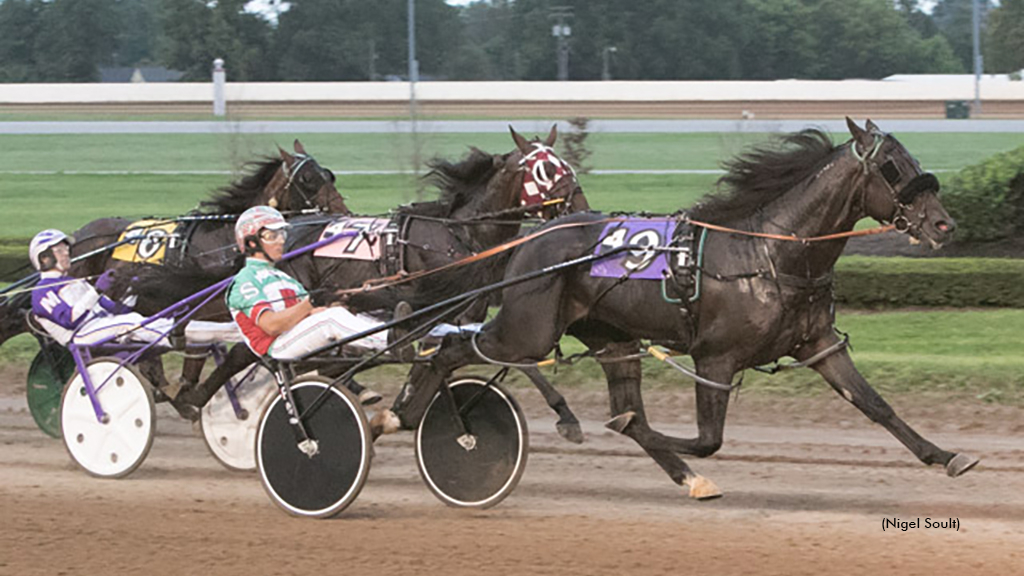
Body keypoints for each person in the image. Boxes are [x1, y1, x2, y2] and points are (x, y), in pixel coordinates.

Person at [28, 228, 199, 420]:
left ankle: (206, 333)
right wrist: (97, 290)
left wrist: (132, 289)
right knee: (129, 323)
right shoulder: (42, 292)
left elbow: (114, 310)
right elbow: (69, 319)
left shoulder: (75, 282)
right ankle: (173, 336)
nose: (66, 253)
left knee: (148, 319)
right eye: (59, 251)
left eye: (65, 249)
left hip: (104, 325)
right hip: (82, 335)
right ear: (44, 259)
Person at [226, 206, 413, 364]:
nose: (281, 240)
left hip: (295, 337)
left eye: (281, 234)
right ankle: (389, 340)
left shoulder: (284, 278)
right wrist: (311, 302)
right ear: (251, 243)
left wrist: (335, 300)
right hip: (277, 347)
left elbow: (309, 314)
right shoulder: (245, 281)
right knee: (331, 319)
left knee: (341, 312)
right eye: (271, 235)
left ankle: (391, 333)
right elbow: (272, 326)